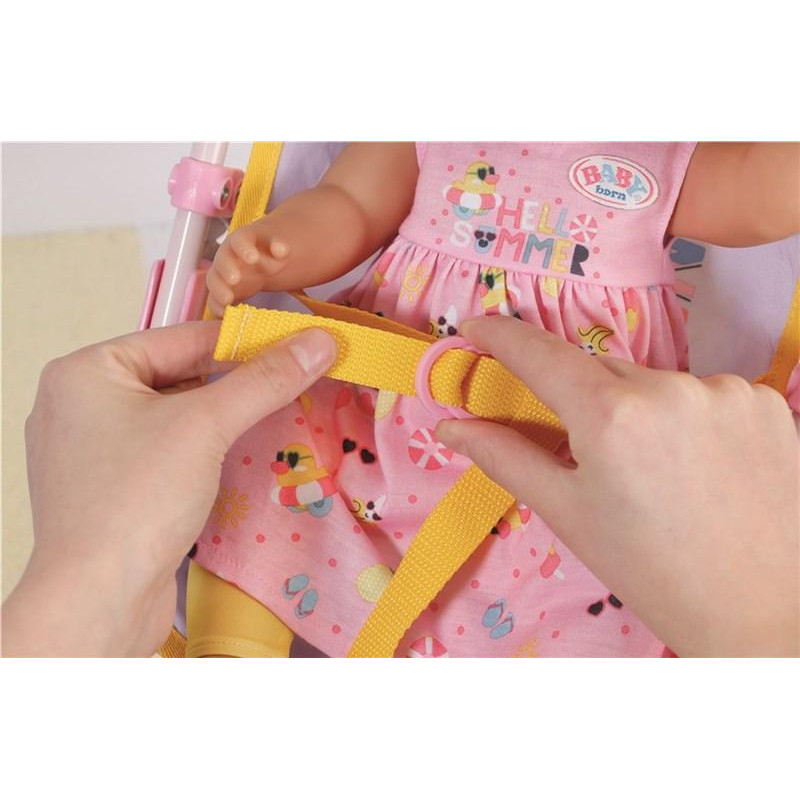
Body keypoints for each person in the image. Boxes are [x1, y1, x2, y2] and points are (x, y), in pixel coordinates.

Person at [189, 142, 799, 658]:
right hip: (379, 404)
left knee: (607, 567)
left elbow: (759, 192)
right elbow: (348, 204)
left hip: (566, 446)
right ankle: (231, 644)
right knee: (269, 445)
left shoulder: (660, 149)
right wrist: (282, 246)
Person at [2, 317, 797, 657]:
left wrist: (85, 585)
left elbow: (752, 187)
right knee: (269, 458)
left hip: (579, 447)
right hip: (399, 418)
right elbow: (359, 193)